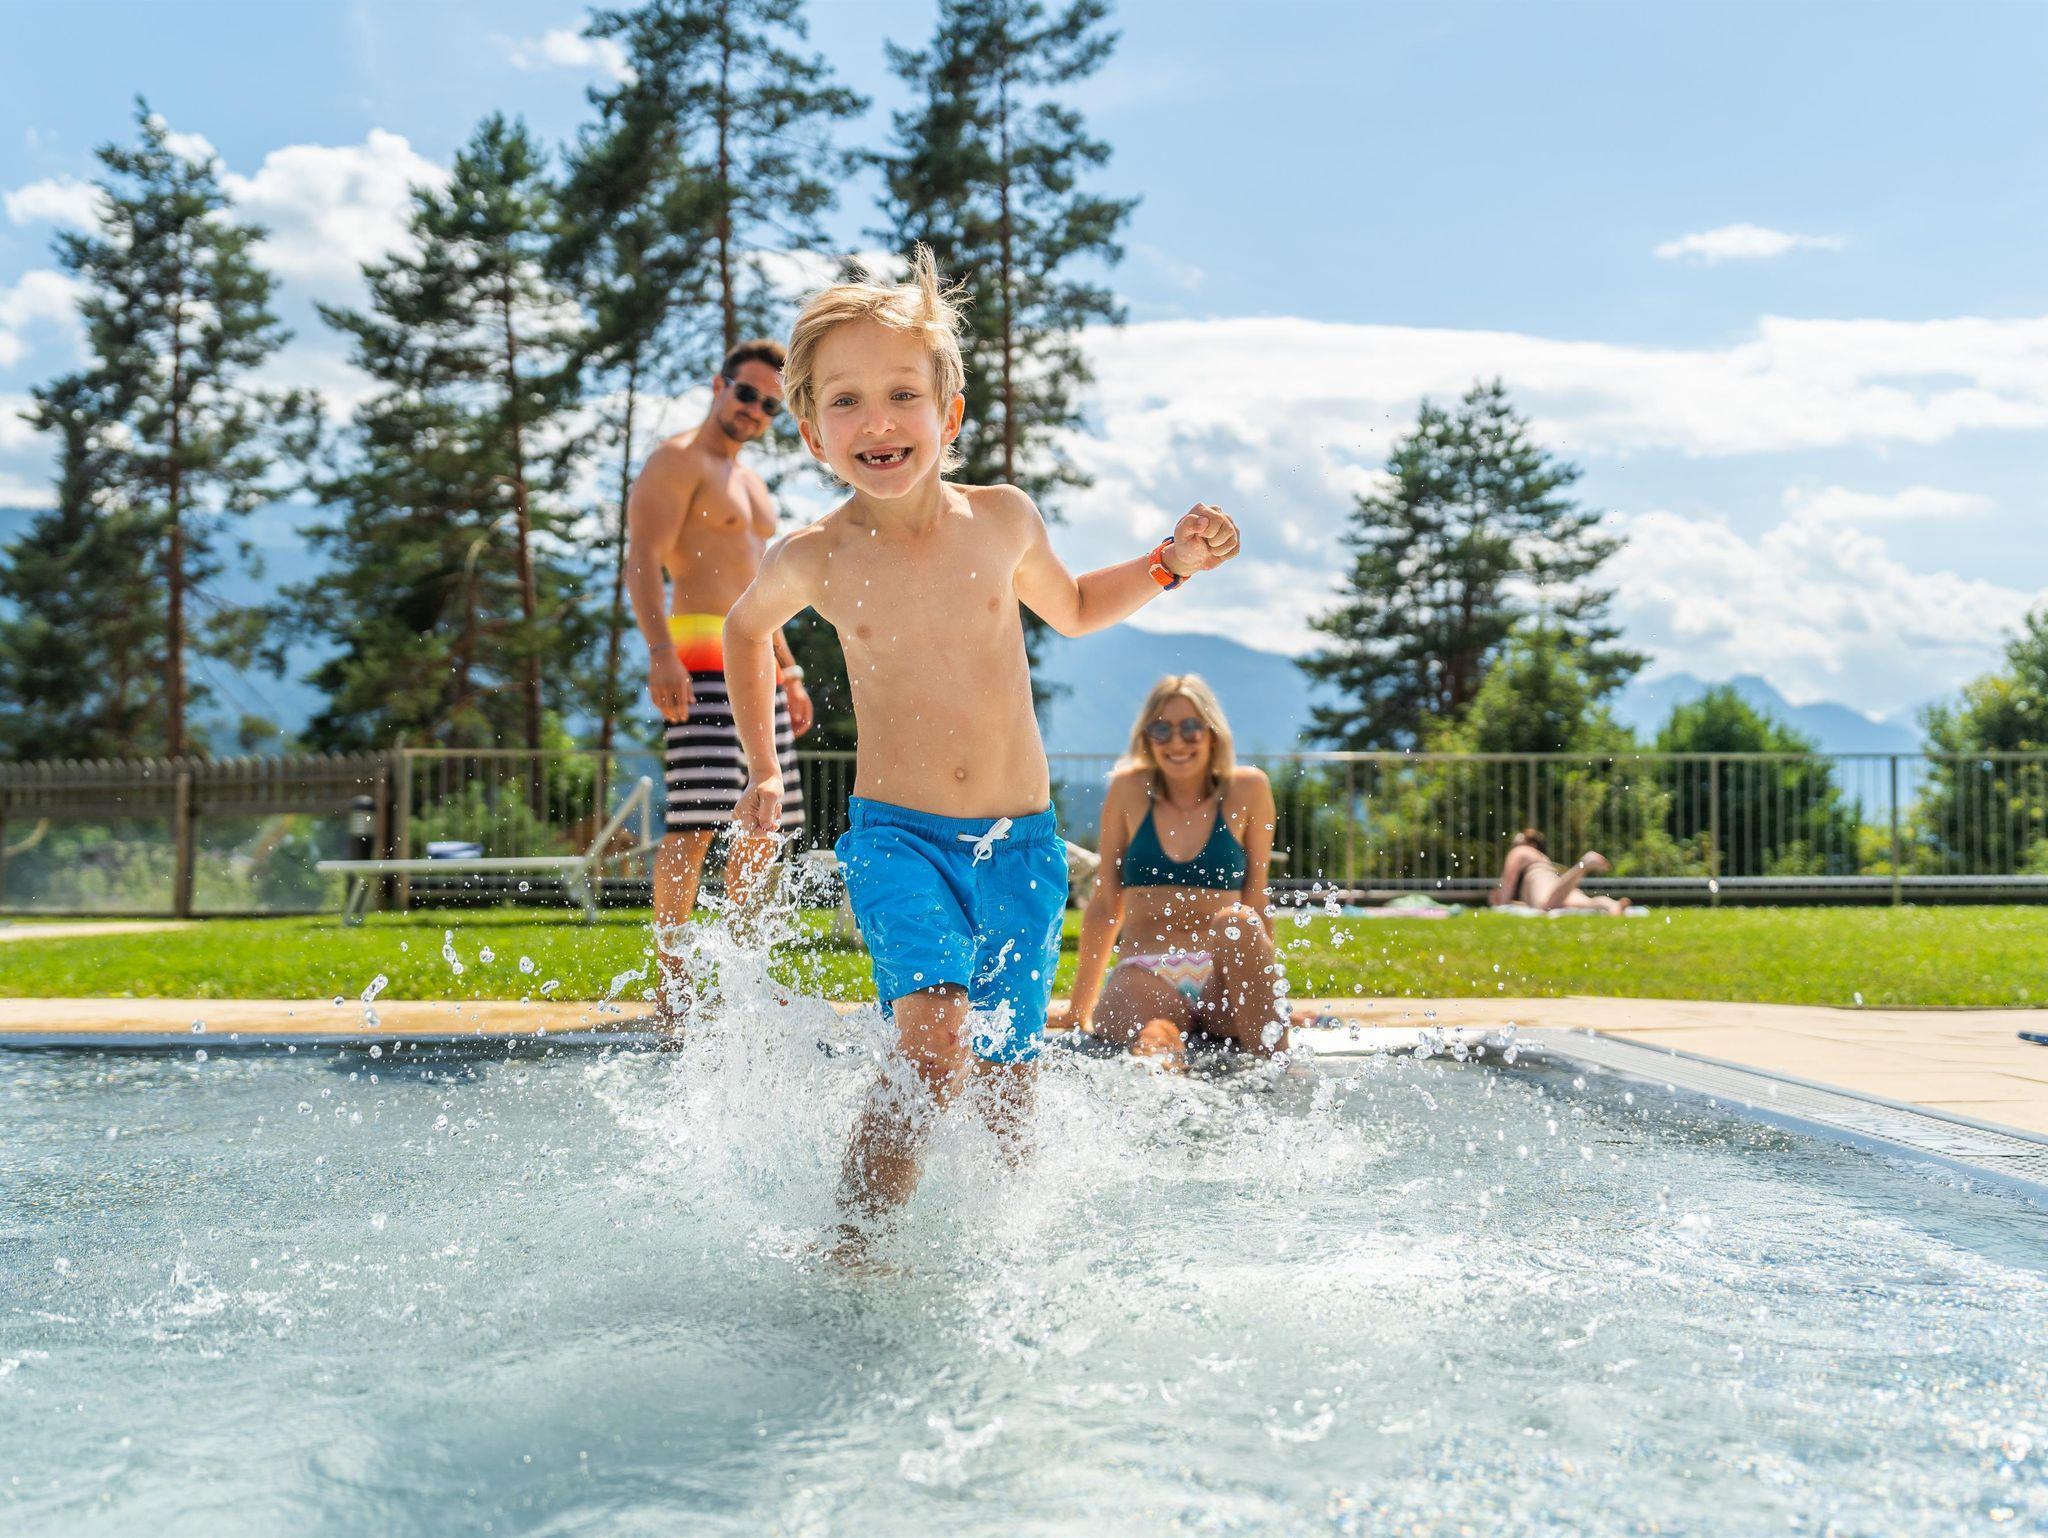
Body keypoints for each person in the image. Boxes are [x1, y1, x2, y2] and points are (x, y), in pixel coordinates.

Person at [723, 248, 1241, 1244]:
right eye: (846, 401)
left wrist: (1168, 563)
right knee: (929, 1051)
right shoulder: (815, 555)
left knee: (1006, 1081)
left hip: (1022, 847)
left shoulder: (1001, 521)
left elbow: (1076, 606)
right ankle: (853, 1252)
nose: (877, 421)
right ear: (812, 432)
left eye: (902, 395)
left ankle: (998, 1255)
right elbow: (744, 631)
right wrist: (765, 768)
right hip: (897, 840)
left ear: (948, 414)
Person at [625, 339, 816, 1019]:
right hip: (701, 655)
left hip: (759, 660)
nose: (755, 410)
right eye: (747, 394)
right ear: (719, 384)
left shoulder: (753, 485)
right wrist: (660, 651)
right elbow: (642, 559)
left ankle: (741, 974)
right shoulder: (677, 461)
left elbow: (763, 589)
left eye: (770, 404)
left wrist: (790, 670)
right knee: (697, 821)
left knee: (762, 824)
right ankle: (672, 982)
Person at [1059, 675, 1287, 1070]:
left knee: (1238, 921)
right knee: (1156, 1036)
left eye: (1190, 728)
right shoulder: (1128, 789)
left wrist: (1268, 997)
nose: (1177, 742)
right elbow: (1106, 903)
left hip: (1219, 975)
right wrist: (1078, 1010)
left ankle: (1284, 1084)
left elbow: (1256, 899)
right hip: (1145, 970)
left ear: (1212, 733)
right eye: (1162, 729)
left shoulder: (1248, 789)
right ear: (1146, 737)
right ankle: (1167, 1083)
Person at [1489, 829, 1626, 914]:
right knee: (1586, 904)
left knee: (1546, 906)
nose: (1514, 844)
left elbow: (1509, 881)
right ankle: (1613, 905)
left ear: (1531, 843)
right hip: (1554, 882)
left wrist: (1502, 902)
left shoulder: (1521, 851)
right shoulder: (1541, 857)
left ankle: (1584, 863)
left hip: (1539, 878)